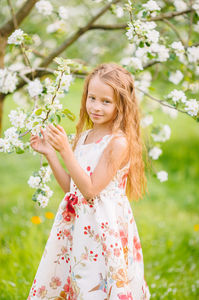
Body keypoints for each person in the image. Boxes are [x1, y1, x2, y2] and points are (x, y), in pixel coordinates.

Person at [28, 63, 151, 300]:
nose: (95, 106)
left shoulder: (118, 143)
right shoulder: (84, 137)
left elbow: (91, 190)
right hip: (79, 224)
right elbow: (72, 188)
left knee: (98, 282)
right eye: (92, 98)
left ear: (121, 105)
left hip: (104, 227)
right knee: (77, 278)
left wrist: (65, 150)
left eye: (106, 101)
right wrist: (52, 154)